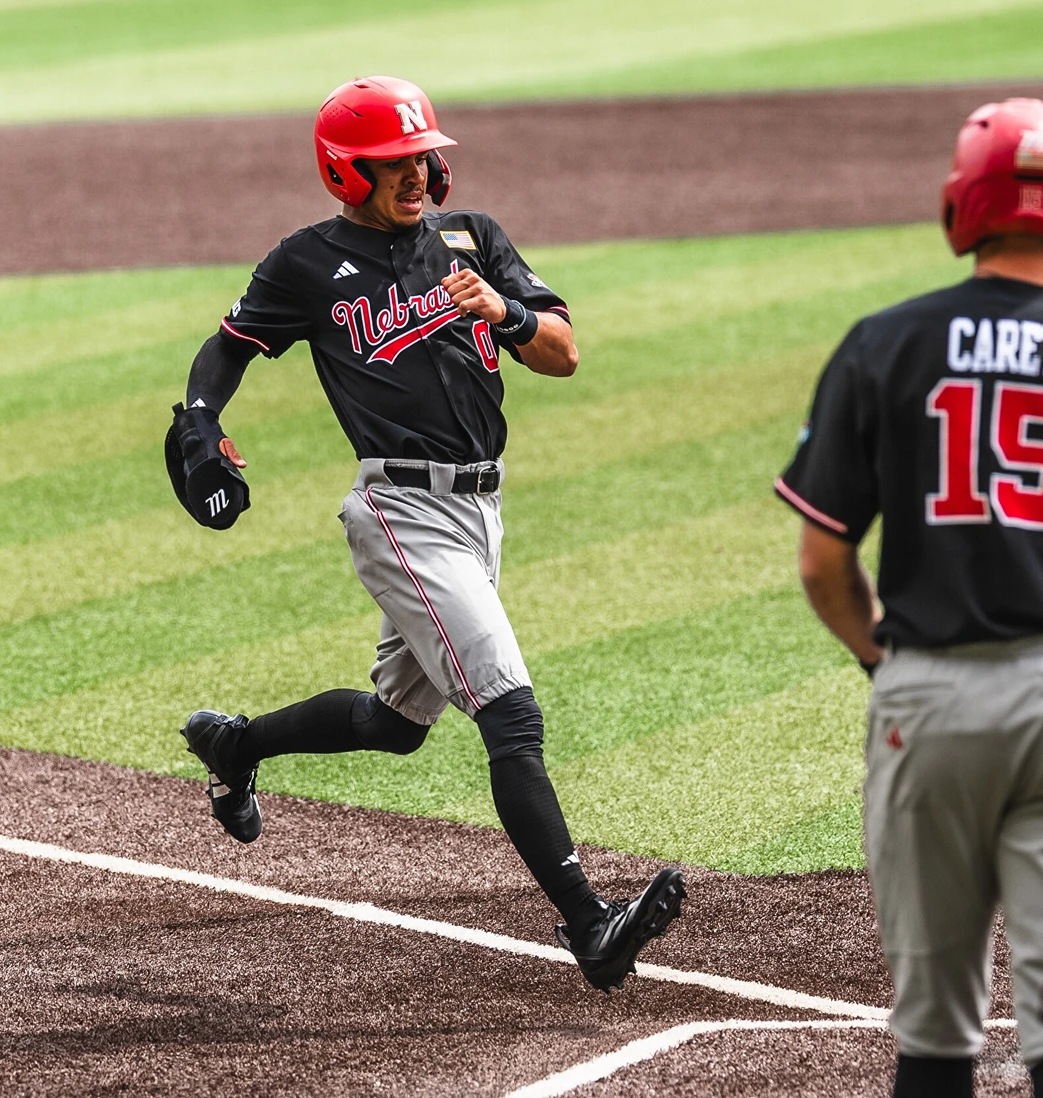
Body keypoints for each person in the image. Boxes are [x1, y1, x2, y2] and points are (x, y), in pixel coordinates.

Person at [163, 76, 683, 992]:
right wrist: (201, 418)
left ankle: (236, 747)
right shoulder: (306, 263)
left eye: (422, 157)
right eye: (394, 161)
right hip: (401, 512)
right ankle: (589, 924)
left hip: (481, 511)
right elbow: (231, 344)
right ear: (346, 171)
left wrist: (503, 312)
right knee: (510, 712)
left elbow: (563, 353)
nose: (417, 173)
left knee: (397, 723)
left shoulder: (471, 237)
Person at [773, 98, 1043, 1097]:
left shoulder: (883, 344)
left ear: (961, 203)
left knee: (932, 1032)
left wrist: (885, 660)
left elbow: (822, 564)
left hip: (929, 699)